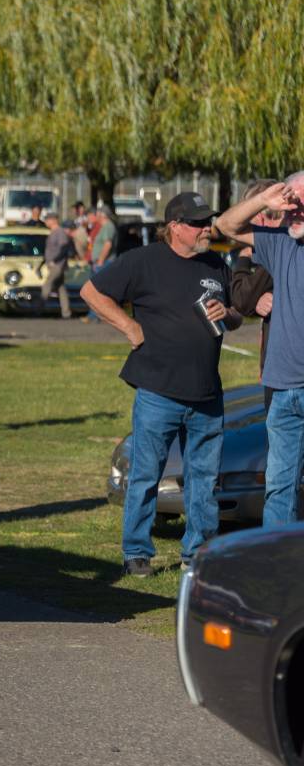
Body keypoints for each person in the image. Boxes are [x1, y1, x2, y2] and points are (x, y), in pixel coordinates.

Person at [82, 192, 243, 576]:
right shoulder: (143, 262)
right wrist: (129, 326)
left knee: (203, 479)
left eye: (208, 222)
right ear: (174, 227)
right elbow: (91, 292)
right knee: (146, 473)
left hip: (206, 392)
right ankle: (137, 551)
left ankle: (198, 552)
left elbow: (235, 315)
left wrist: (231, 314)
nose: (207, 229)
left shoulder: (214, 264)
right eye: (198, 223)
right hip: (159, 391)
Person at [216, 177, 304, 527]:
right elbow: (225, 225)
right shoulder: (280, 243)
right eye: (290, 201)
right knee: (280, 488)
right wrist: (264, 199)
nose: (293, 208)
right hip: (282, 389)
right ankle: (277, 567)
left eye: (300, 202)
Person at [227, 178, 282, 407]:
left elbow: (242, 299)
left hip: (286, 375)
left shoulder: (278, 246)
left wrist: (242, 259)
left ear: (259, 217)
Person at [40, 212, 74, 319]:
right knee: (60, 288)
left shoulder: (60, 232)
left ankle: (38, 309)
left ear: (54, 220)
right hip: (53, 264)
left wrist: (55, 260)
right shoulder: (53, 232)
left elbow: (64, 248)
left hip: (57, 265)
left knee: (47, 285)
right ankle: (66, 312)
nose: (46, 221)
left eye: (47, 219)